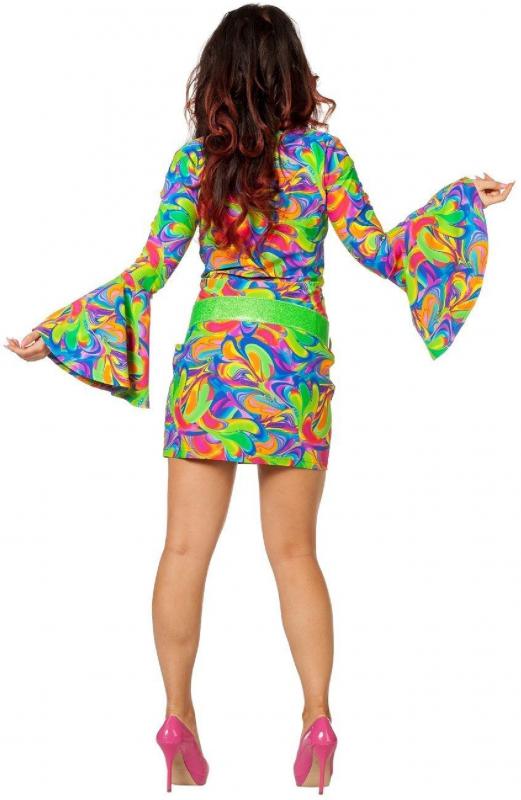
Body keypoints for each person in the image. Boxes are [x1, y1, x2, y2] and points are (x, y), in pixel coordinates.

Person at [4, 3, 513, 794]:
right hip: (293, 371)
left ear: (215, 78)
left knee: (183, 551)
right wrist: (461, 202)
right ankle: (317, 716)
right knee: (295, 554)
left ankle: (177, 715)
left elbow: (148, 271)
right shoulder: (322, 157)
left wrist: (60, 330)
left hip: (212, 367)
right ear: (293, 77)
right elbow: (382, 253)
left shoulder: (194, 163)